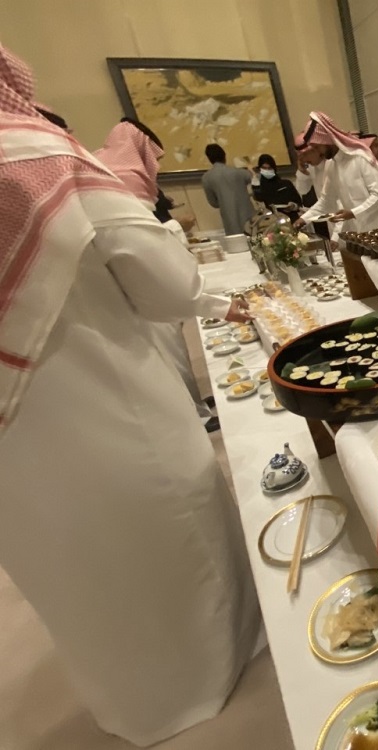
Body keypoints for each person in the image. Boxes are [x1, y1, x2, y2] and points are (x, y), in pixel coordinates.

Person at [0, 46, 260, 746]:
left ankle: (136, 706)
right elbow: (165, 285)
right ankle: (213, 673)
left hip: (14, 455)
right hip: (108, 412)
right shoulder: (32, 155)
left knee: (78, 578)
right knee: (167, 551)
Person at [94, 117, 220, 431]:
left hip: (142, 288)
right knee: (170, 354)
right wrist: (218, 305)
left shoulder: (114, 177)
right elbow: (143, 242)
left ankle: (196, 404)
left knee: (176, 351)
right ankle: (196, 415)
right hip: (143, 293)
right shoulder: (123, 183)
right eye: (156, 160)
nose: (158, 168)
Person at [293, 111, 378, 234]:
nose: (318, 153)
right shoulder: (332, 165)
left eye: (318, 147)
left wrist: (353, 213)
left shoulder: (359, 157)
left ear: (327, 141)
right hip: (360, 232)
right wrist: (303, 219)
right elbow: (326, 200)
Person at [200, 143, 254, 235]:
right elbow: (254, 179)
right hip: (248, 217)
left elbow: (214, 203)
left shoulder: (206, 178)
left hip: (229, 221)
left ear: (209, 159)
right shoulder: (239, 173)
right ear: (224, 155)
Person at [251, 153, 301, 218]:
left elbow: (298, 203)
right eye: (264, 168)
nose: (267, 171)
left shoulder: (285, 184)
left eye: (269, 168)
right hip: (271, 222)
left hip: (290, 219)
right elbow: (258, 204)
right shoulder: (259, 188)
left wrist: (293, 206)